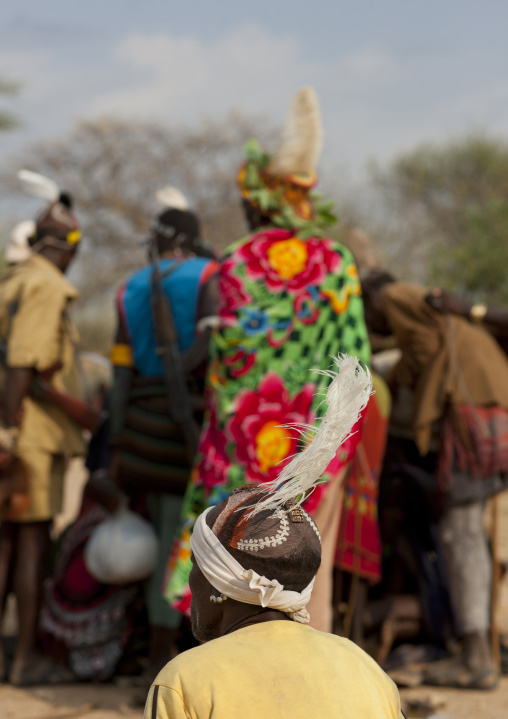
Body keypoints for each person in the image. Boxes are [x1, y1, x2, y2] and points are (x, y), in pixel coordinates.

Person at [164, 88, 371, 633]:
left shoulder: (233, 264)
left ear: (259, 201)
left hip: (239, 447)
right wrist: (333, 448)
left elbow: (222, 371)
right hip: (313, 452)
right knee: (306, 567)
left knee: (229, 564)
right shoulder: (336, 262)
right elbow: (357, 366)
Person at [146, 357, 404, 719]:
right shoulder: (367, 670)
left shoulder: (184, 681)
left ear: (221, 583)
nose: (191, 586)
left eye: (196, 567)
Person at [361, 271, 508, 689]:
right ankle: (478, 650)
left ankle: (476, 658)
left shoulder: (391, 295)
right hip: (490, 404)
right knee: (467, 532)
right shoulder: (431, 309)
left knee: (459, 532)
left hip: (468, 414)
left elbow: (422, 349)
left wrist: (394, 378)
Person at [109, 187, 219, 680]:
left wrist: (116, 438)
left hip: (139, 426)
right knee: (187, 540)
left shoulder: (128, 287)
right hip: (187, 427)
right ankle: (165, 656)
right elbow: (215, 343)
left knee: (158, 534)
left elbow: (120, 371)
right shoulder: (209, 277)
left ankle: (153, 649)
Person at [0, 194, 86, 684]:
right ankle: (24, 661)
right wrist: (9, 434)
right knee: (31, 545)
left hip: (17, 430)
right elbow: (21, 366)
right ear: (69, 247)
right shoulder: (45, 286)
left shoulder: (13, 278)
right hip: (28, 435)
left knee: (7, 545)